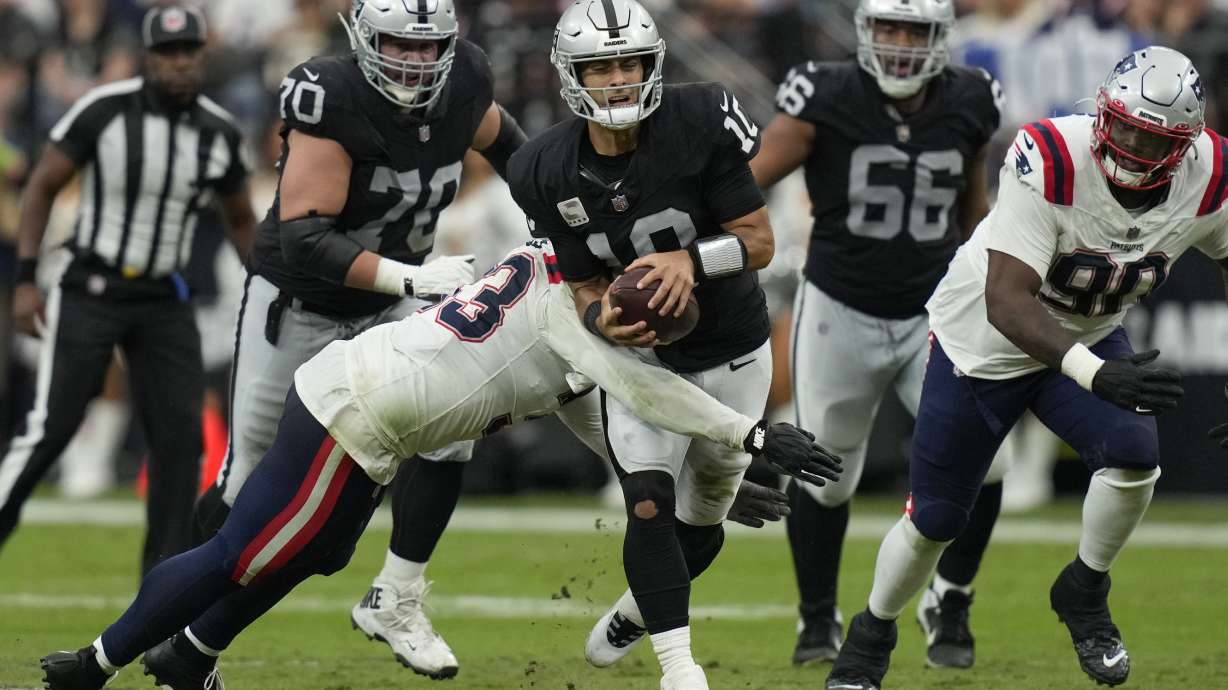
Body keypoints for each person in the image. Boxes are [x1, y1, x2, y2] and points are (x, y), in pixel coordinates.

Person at [36, 239, 843, 690]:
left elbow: (586, 409)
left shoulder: (554, 282)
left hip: (371, 407)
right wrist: (753, 435)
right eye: (651, 327)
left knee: (318, 552)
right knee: (242, 552)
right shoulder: (575, 316)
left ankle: (190, 655)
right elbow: (642, 389)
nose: (650, 340)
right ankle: (96, 664)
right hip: (358, 410)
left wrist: (654, 478)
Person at [825, 45, 1218, 690]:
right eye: (1123, 127)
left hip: (1086, 331)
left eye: (1153, 140)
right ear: (1103, 113)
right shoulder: (1053, 157)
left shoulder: (1212, 174)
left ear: (1186, 146)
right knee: (937, 519)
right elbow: (1007, 300)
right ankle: (872, 632)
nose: (1132, 148)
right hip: (982, 341)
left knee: (1133, 455)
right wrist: (1094, 373)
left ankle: (1084, 591)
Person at [186, 0, 529, 678]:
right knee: (247, 483)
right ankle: (186, 635)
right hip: (302, 304)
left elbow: (513, 149)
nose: (418, 61)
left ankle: (397, 595)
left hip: (397, 306)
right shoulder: (329, 94)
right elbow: (304, 236)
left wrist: (565, 213)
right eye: (401, 44)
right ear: (366, 40)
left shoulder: (466, 84)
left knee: (455, 427)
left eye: (431, 48)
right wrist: (410, 279)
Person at [500, 2, 779, 688]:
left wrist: (691, 261)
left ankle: (636, 610)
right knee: (649, 502)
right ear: (573, 76)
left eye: (629, 62)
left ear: (652, 65)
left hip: (732, 346)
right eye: (602, 67)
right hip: (641, 359)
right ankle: (679, 669)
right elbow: (583, 283)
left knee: (701, 515)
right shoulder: (543, 166)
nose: (619, 78)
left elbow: (759, 241)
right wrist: (601, 325)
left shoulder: (700, 120)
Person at [751, 0, 1007, 669]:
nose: (898, 43)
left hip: (937, 311)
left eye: (913, 30)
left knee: (990, 463)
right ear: (865, 32)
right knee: (826, 473)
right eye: (887, 27)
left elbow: (974, 208)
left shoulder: (972, 98)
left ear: (939, 38)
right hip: (842, 307)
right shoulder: (826, 93)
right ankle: (816, 619)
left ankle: (950, 599)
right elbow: (745, 183)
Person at [0, 5, 256, 575]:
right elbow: (42, 186)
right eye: (167, 53)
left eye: (188, 52)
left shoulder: (216, 131)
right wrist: (24, 280)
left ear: (203, 56)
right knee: (52, 425)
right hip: (91, 284)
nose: (179, 64)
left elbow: (241, 217)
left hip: (166, 296)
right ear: (148, 58)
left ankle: (158, 590)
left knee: (180, 443)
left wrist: (264, 285)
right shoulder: (105, 110)